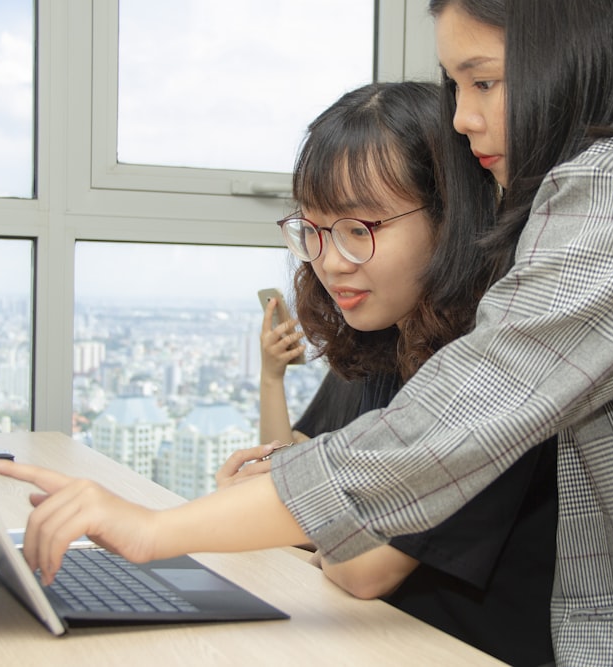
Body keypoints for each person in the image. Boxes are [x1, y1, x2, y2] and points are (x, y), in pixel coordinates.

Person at [0, 0, 613, 663]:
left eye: (483, 81)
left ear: (575, 48)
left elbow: (425, 446)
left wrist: (152, 530)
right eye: (455, 88)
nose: (466, 119)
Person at [225, 81, 558, 666]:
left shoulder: (496, 364)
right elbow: (295, 481)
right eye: (315, 230)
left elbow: (363, 567)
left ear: (449, 217)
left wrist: (294, 519)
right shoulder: (382, 337)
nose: (330, 261)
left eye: (360, 230)